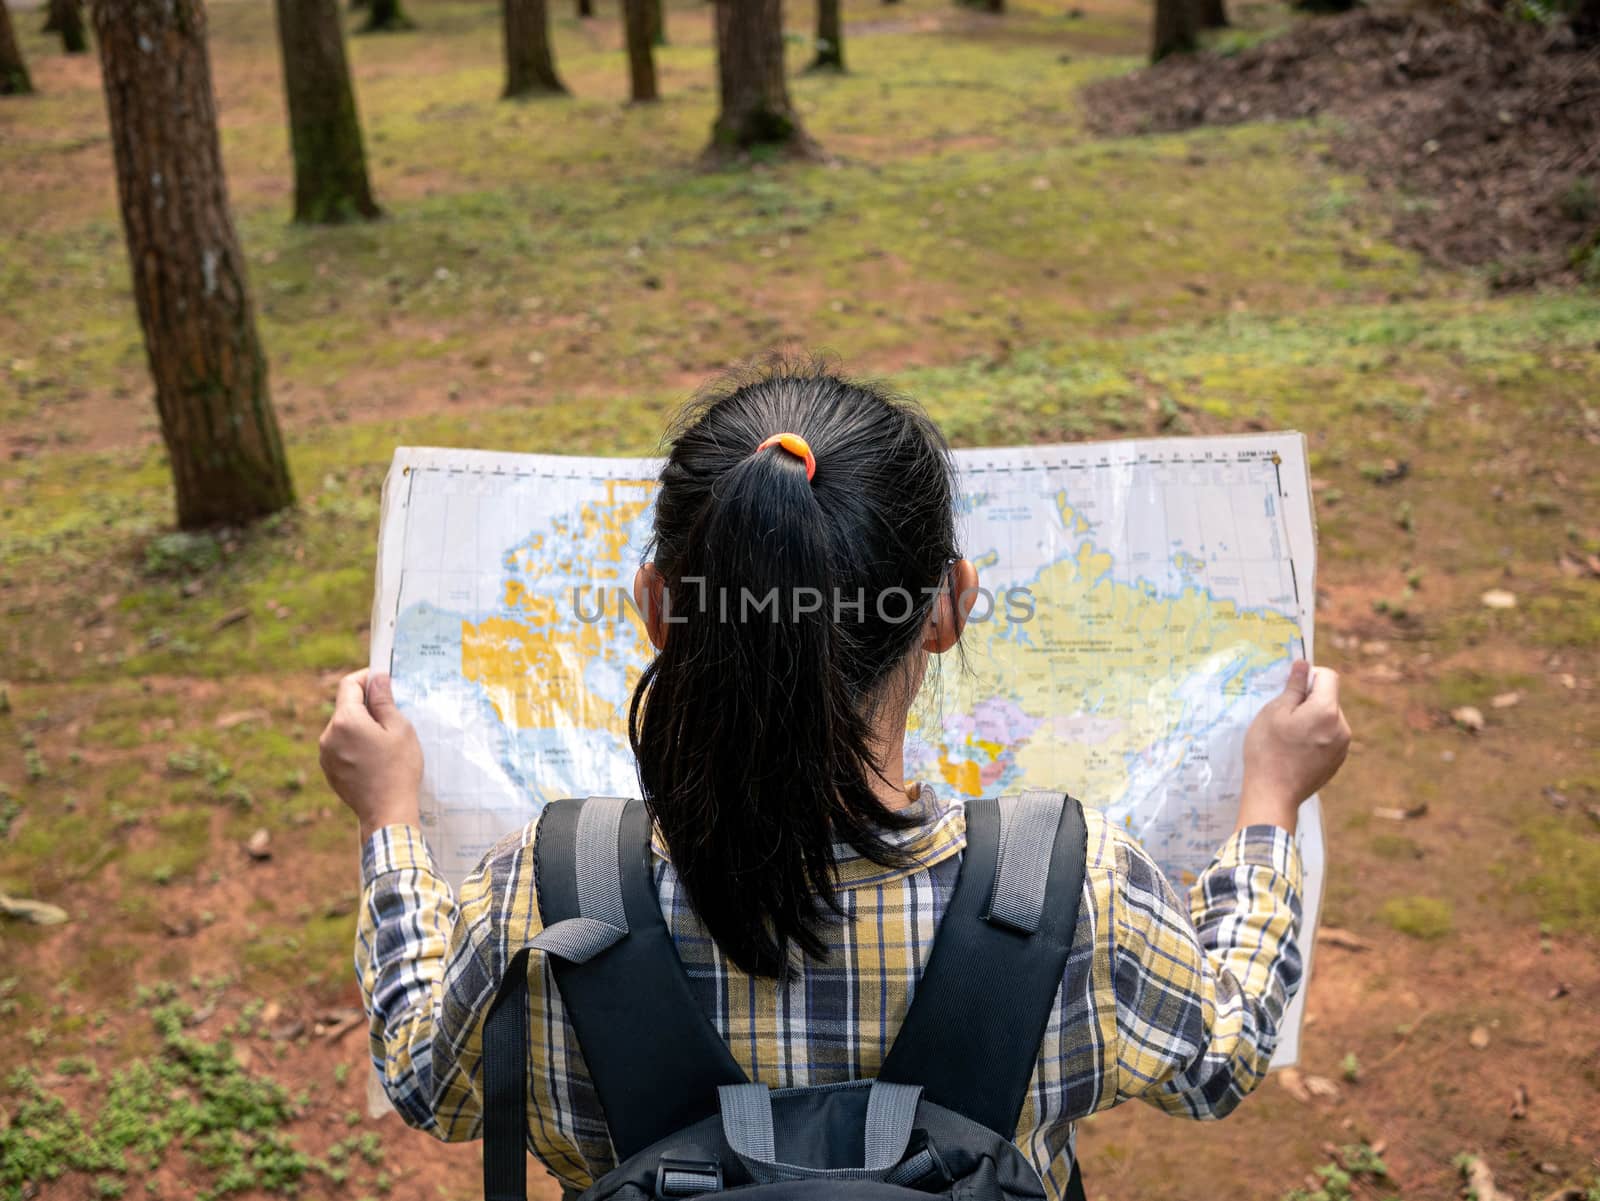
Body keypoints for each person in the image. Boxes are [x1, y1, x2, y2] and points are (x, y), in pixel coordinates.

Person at [319, 367, 1350, 1200]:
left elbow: (426, 1080)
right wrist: (1268, 804)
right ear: (949, 607)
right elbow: (1216, 1064)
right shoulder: (1079, 893)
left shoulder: (542, 900)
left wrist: (391, 824)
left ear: (655, 608)